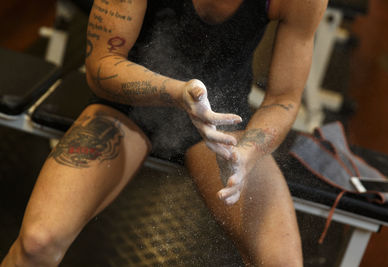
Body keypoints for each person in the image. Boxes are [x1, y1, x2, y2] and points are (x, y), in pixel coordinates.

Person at [1, 0, 327, 266]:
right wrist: (178, 92)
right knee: (36, 243)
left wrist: (249, 153)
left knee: (282, 263)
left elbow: (284, 99)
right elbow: (101, 64)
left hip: (218, 122)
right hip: (128, 102)